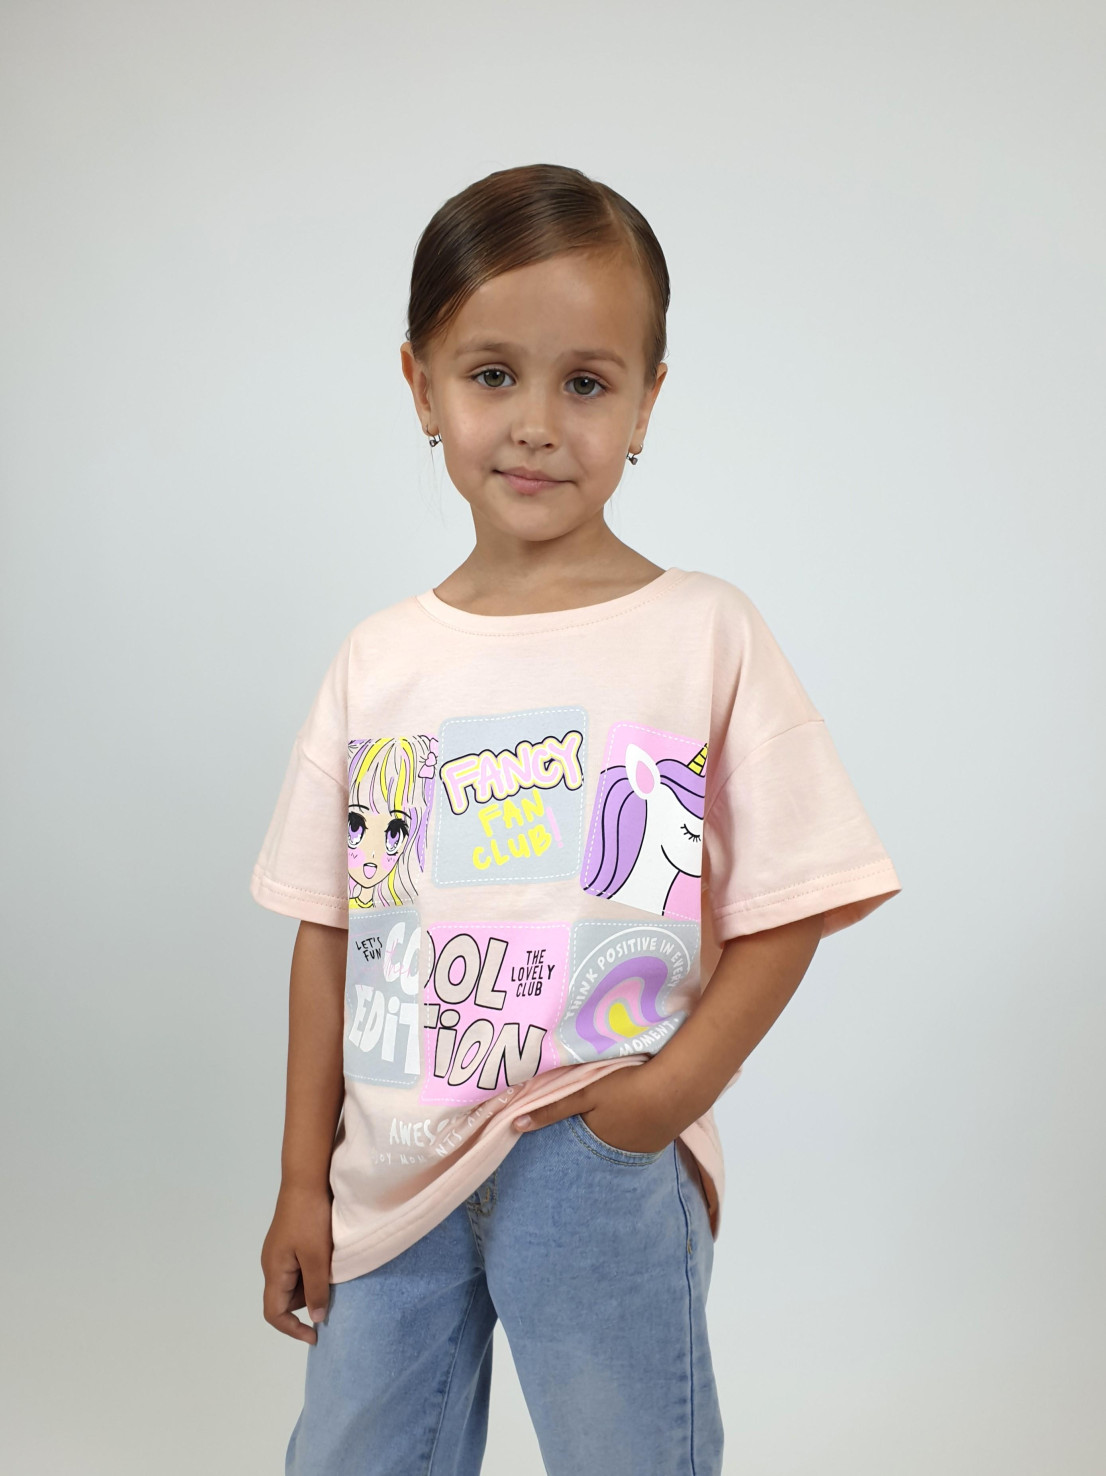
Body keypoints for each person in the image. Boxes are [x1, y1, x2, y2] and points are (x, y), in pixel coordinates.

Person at [251, 162, 902, 1476]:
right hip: (387, 1173)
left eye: (587, 384)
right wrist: (297, 1181)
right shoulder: (380, 665)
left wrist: (657, 1105)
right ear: (420, 385)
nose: (537, 424)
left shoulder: (700, 634)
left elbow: (799, 897)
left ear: (647, 401)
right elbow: (334, 932)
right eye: (492, 374)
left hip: (592, 1160)